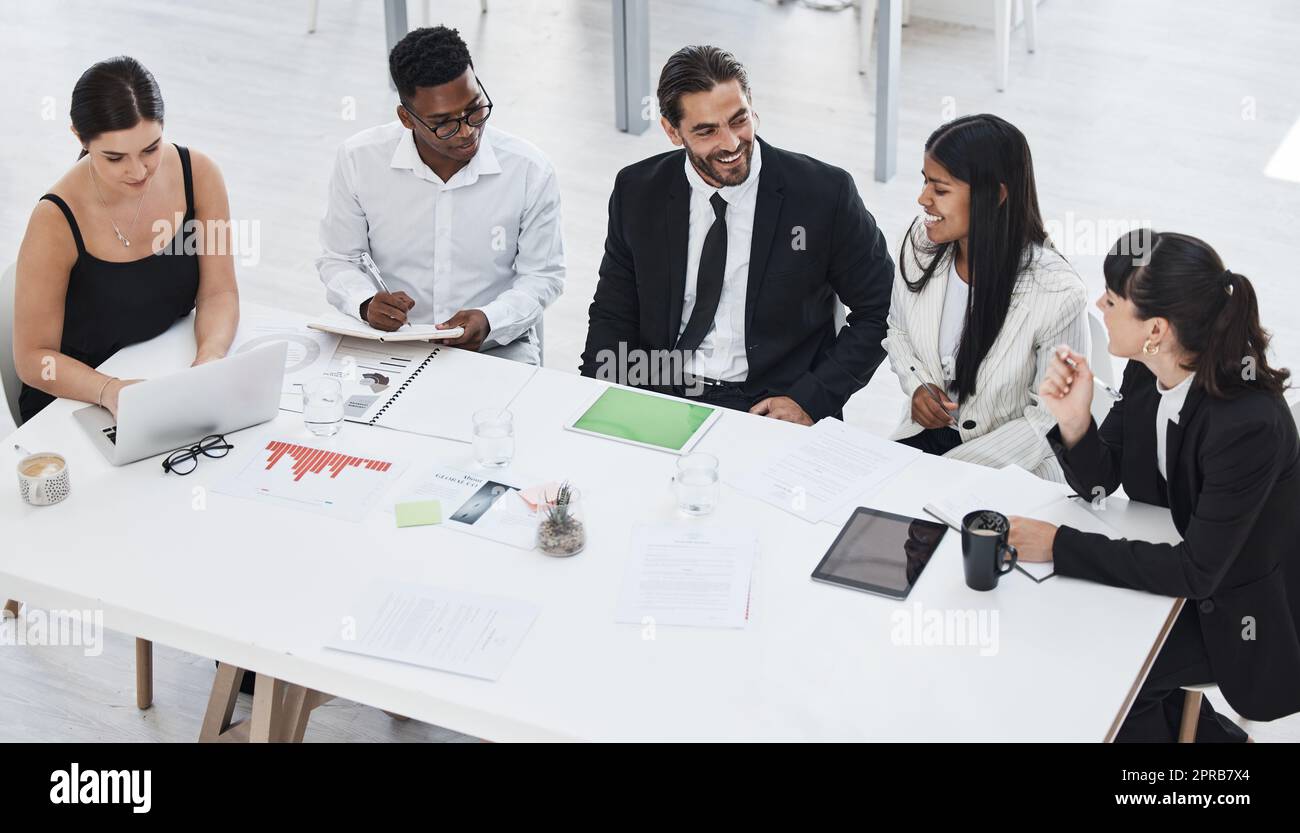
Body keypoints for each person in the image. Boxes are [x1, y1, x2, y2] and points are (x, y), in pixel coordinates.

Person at [1010, 229, 1300, 742]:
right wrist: (1077, 421)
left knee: (1107, 675)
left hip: (1237, 606)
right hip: (1180, 558)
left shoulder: (1248, 424)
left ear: (1157, 329)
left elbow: (1197, 574)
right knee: (1068, 628)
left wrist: (1058, 544)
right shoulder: (1148, 370)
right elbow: (1102, 483)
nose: (1099, 303)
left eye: (1113, 298)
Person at [579, 45, 893, 424]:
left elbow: (880, 308)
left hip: (776, 403)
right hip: (662, 392)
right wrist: (599, 398)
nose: (730, 143)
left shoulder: (824, 194)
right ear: (671, 131)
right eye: (707, 130)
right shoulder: (637, 190)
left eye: (738, 120)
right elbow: (614, 310)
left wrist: (812, 399)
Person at [317, 25, 564, 365]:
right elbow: (340, 259)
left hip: (497, 348)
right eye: (444, 123)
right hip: (392, 343)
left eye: (475, 109)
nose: (467, 132)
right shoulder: (359, 160)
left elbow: (543, 276)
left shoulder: (529, 171)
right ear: (407, 119)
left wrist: (491, 320)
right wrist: (365, 302)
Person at [14, 56, 239, 423]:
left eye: (150, 149)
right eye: (115, 157)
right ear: (79, 138)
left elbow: (219, 293)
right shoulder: (54, 219)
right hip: (76, 401)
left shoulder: (198, 174)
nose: (138, 171)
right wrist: (110, 390)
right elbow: (33, 358)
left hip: (164, 367)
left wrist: (209, 360)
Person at [883, 114, 1088, 479]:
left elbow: (1050, 419)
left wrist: (948, 471)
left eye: (940, 189)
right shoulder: (918, 243)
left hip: (1013, 465)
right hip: (926, 442)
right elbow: (897, 331)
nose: (923, 199)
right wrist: (917, 387)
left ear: (995, 195)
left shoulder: (1057, 293)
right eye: (924, 182)